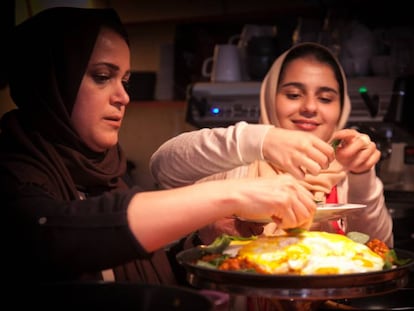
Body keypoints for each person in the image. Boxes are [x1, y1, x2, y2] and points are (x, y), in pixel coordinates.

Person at [0, 7, 319, 284]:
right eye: (101, 76)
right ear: (50, 82)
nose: (123, 96)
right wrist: (235, 193)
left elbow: (142, 278)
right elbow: (54, 236)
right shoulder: (12, 173)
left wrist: (204, 236)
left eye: (124, 81)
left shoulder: (107, 175)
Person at [150, 42, 393, 248]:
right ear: (270, 97)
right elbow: (162, 167)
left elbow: (379, 247)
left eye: (325, 98)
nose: (309, 107)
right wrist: (262, 140)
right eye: (294, 95)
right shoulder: (235, 162)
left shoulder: (346, 174)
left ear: (341, 107)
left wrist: (361, 175)